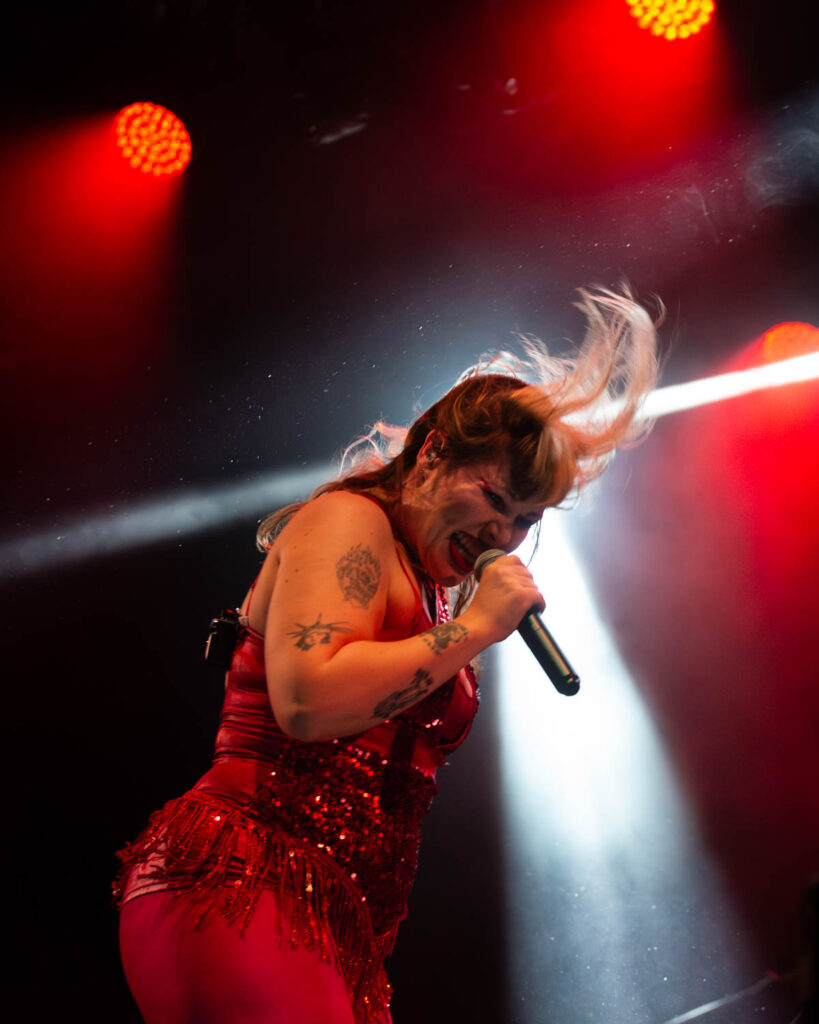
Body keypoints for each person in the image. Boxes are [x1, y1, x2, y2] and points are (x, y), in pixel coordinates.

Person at [115, 287, 659, 1024]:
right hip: (246, 874)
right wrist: (476, 629)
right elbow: (308, 703)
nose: (503, 535)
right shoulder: (349, 520)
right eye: (493, 498)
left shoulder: (437, 593)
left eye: (524, 520)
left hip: (339, 926)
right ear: (432, 453)